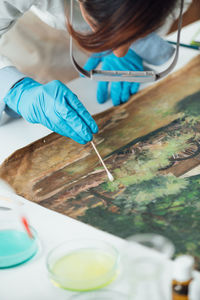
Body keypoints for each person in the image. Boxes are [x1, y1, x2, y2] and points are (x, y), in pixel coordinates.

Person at [0, 0, 192, 144]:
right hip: (30, 37)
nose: (120, 53)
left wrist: (133, 37)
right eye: (101, 24)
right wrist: (14, 88)